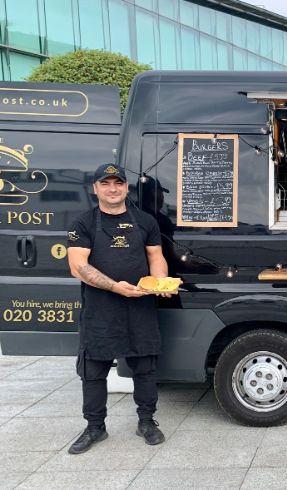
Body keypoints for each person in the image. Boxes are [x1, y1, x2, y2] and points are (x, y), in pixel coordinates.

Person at [65, 163, 170, 454]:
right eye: (106, 183)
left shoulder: (146, 221)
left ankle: (147, 421)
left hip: (140, 306)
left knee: (145, 368)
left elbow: (156, 257)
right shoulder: (83, 223)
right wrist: (114, 286)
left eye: (118, 183)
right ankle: (95, 427)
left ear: (126, 187)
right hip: (100, 308)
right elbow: (78, 266)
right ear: (95, 188)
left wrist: (159, 281)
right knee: (93, 370)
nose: (113, 189)